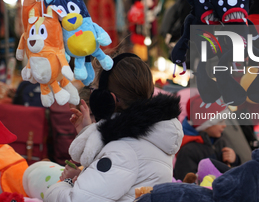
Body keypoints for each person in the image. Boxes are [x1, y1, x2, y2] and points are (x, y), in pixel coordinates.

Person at [44, 52, 184, 202]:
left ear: (108, 99)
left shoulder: (123, 150)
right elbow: (112, 186)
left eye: (95, 89)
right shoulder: (151, 138)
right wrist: (88, 132)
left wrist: (61, 186)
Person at [173, 94, 242, 181]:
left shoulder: (219, 142)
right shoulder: (188, 150)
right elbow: (186, 183)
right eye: (220, 121)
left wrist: (235, 160)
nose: (224, 125)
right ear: (205, 124)